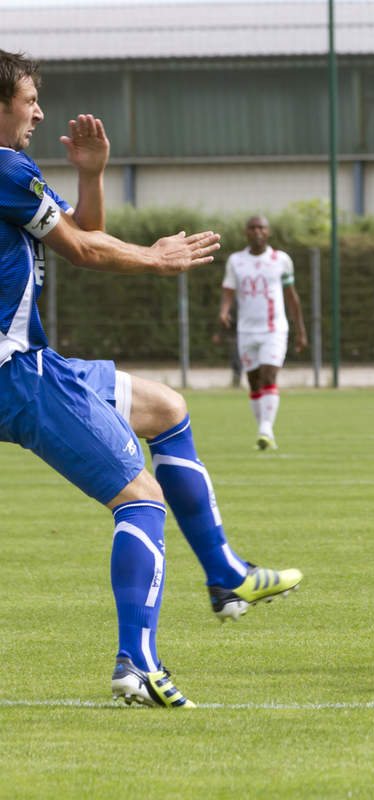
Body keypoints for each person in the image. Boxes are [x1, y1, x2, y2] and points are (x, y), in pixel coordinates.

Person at [1, 50, 216, 708]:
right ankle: (135, 662)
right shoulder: (4, 168)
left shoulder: (14, 175)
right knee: (140, 499)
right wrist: (155, 257)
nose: (39, 111)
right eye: (29, 99)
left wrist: (90, 175)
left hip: (34, 365)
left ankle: (226, 573)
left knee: (161, 407)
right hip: (15, 371)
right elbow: (87, 250)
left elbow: (80, 228)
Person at [219, 215, 307, 451]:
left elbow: (291, 296)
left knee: (269, 376)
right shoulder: (236, 261)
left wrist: (300, 330)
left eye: (261, 227)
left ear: (268, 232)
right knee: (254, 382)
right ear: (246, 232)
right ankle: (265, 433)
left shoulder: (281, 260)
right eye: (252, 228)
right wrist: (224, 311)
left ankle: (265, 429)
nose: (257, 231)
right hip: (246, 330)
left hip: (274, 329)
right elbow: (228, 291)